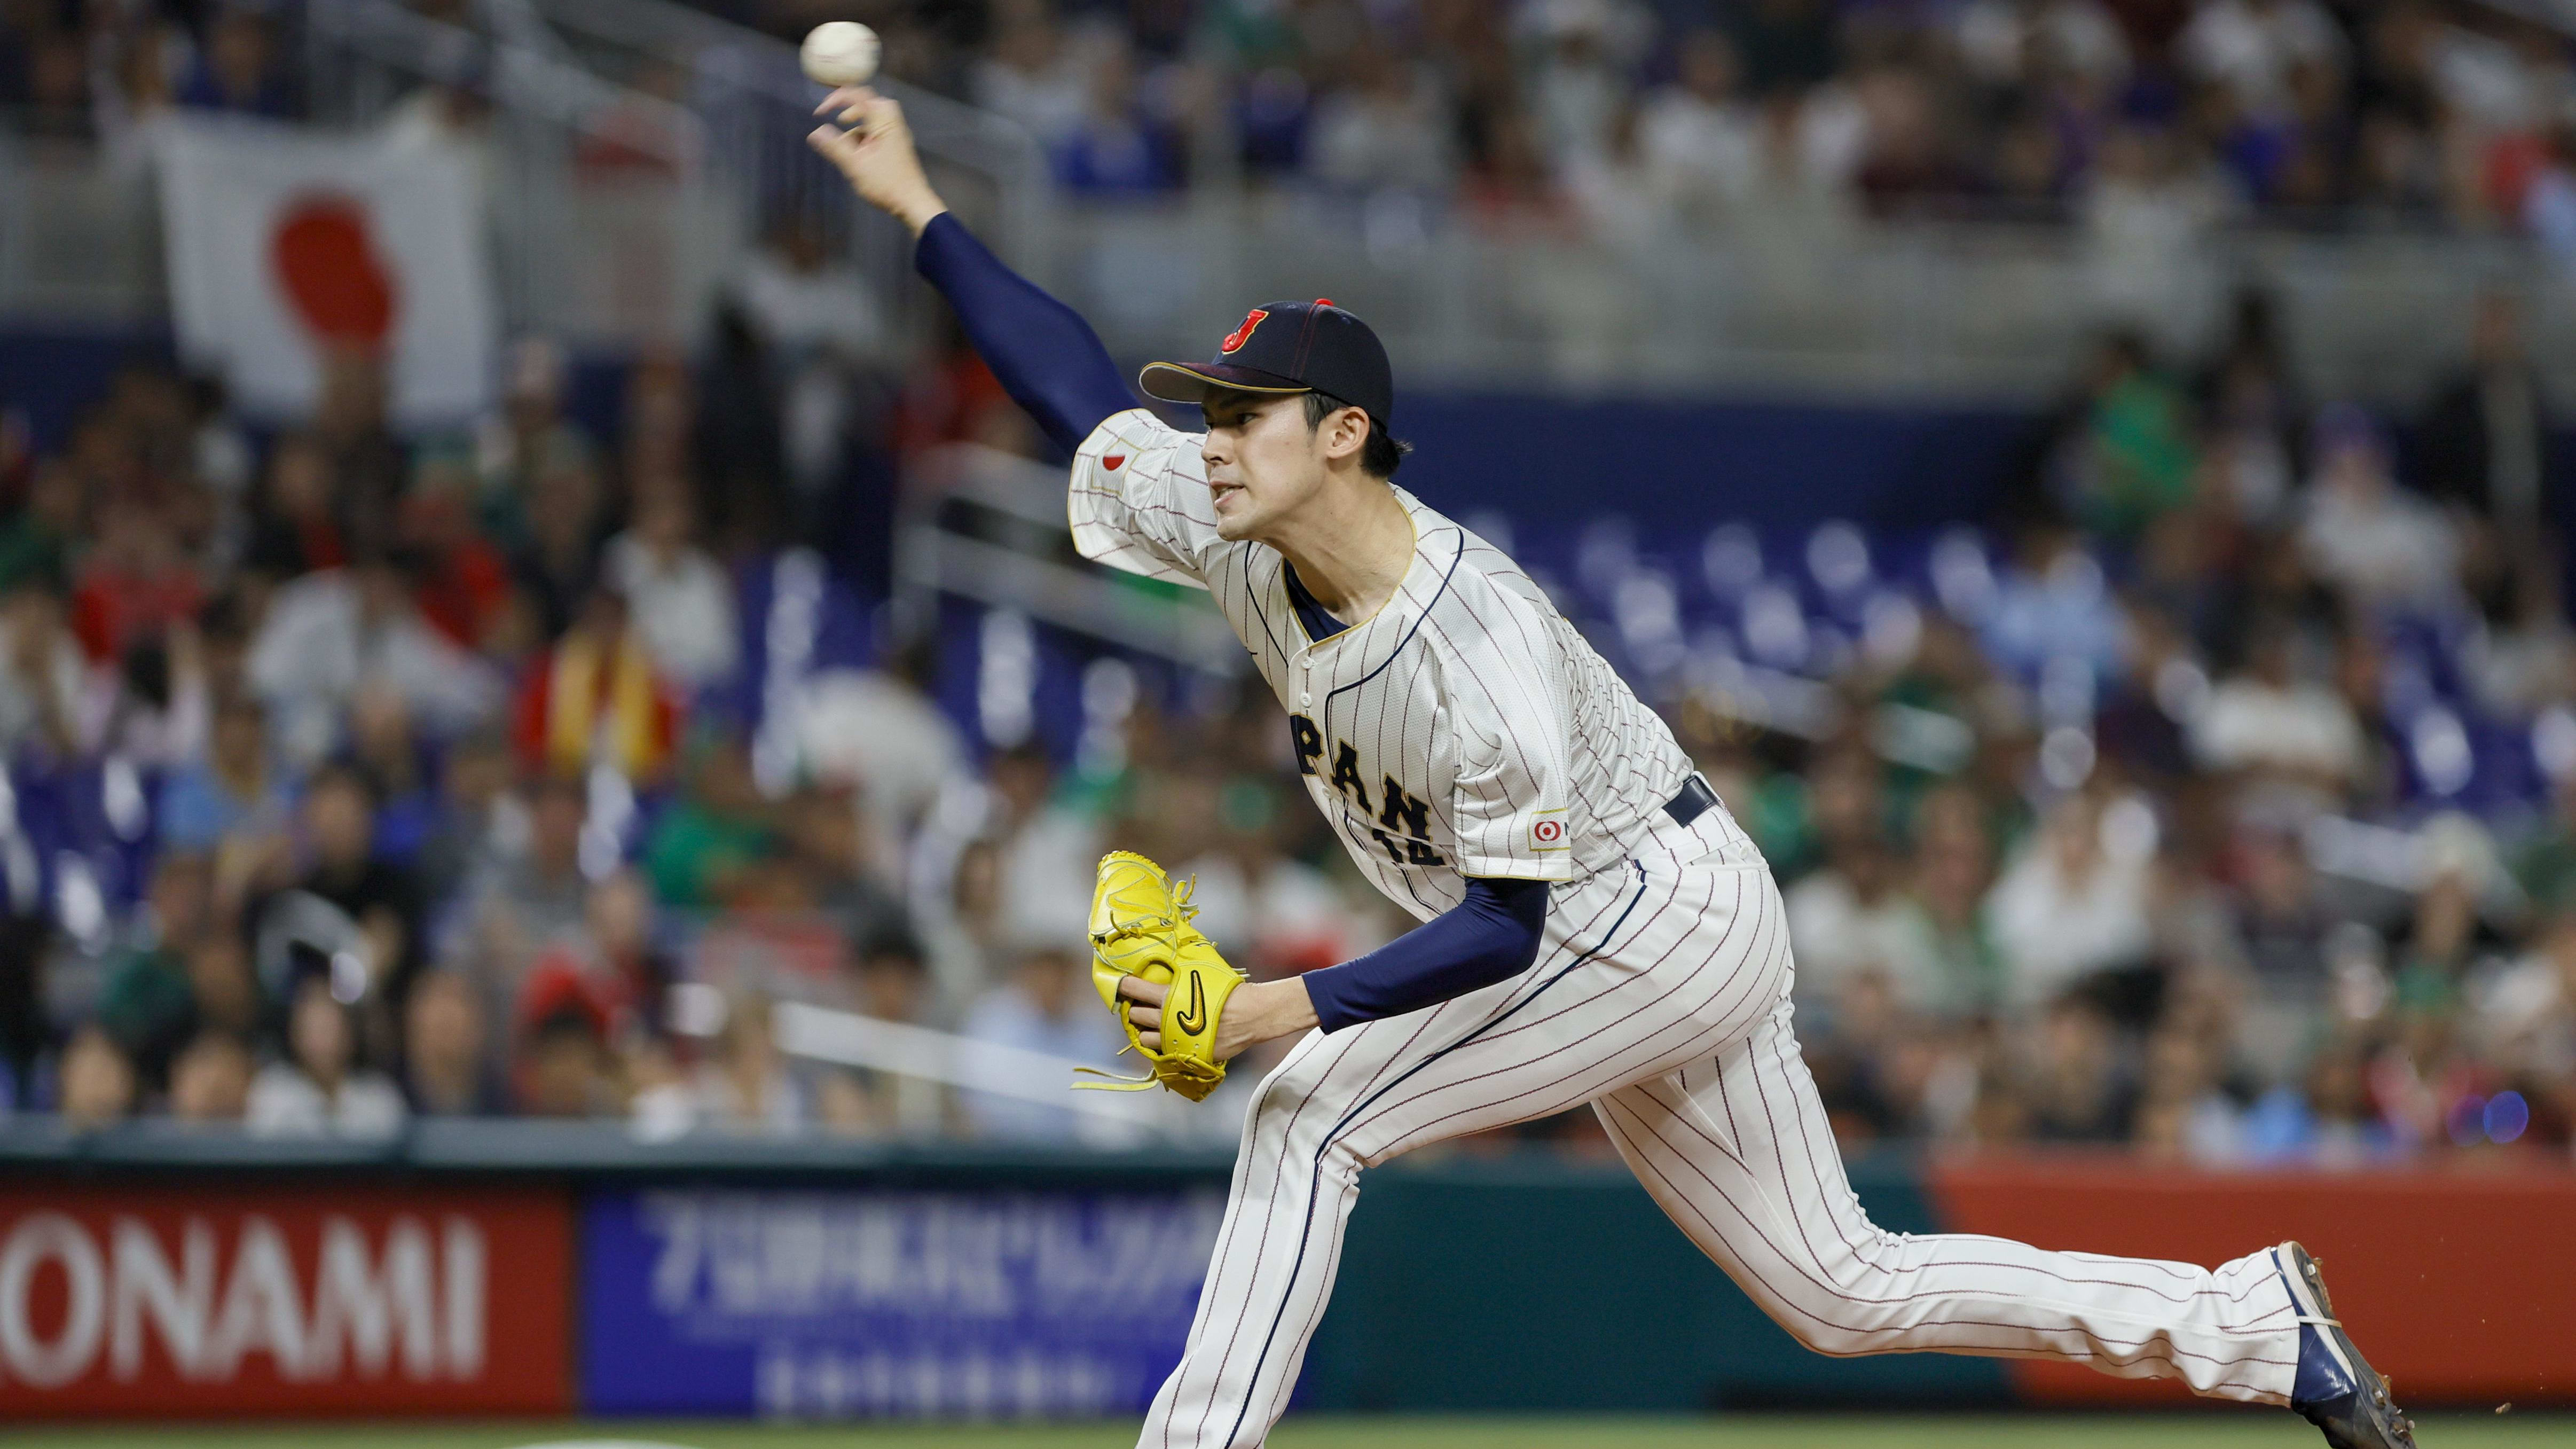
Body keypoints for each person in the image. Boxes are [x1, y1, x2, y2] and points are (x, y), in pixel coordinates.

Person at [810, 87, 2418, 1449]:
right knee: (1843, 1288)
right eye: (1210, 412)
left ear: (1346, 432)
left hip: (1640, 915)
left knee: (1307, 1111)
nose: (1210, 435)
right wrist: (920, 202)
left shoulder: (1473, 640)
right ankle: (2254, 1326)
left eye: (1245, 410)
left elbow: (1506, 928)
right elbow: (1066, 385)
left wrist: (1262, 1010)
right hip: (1616, 916)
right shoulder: (1233, 526)